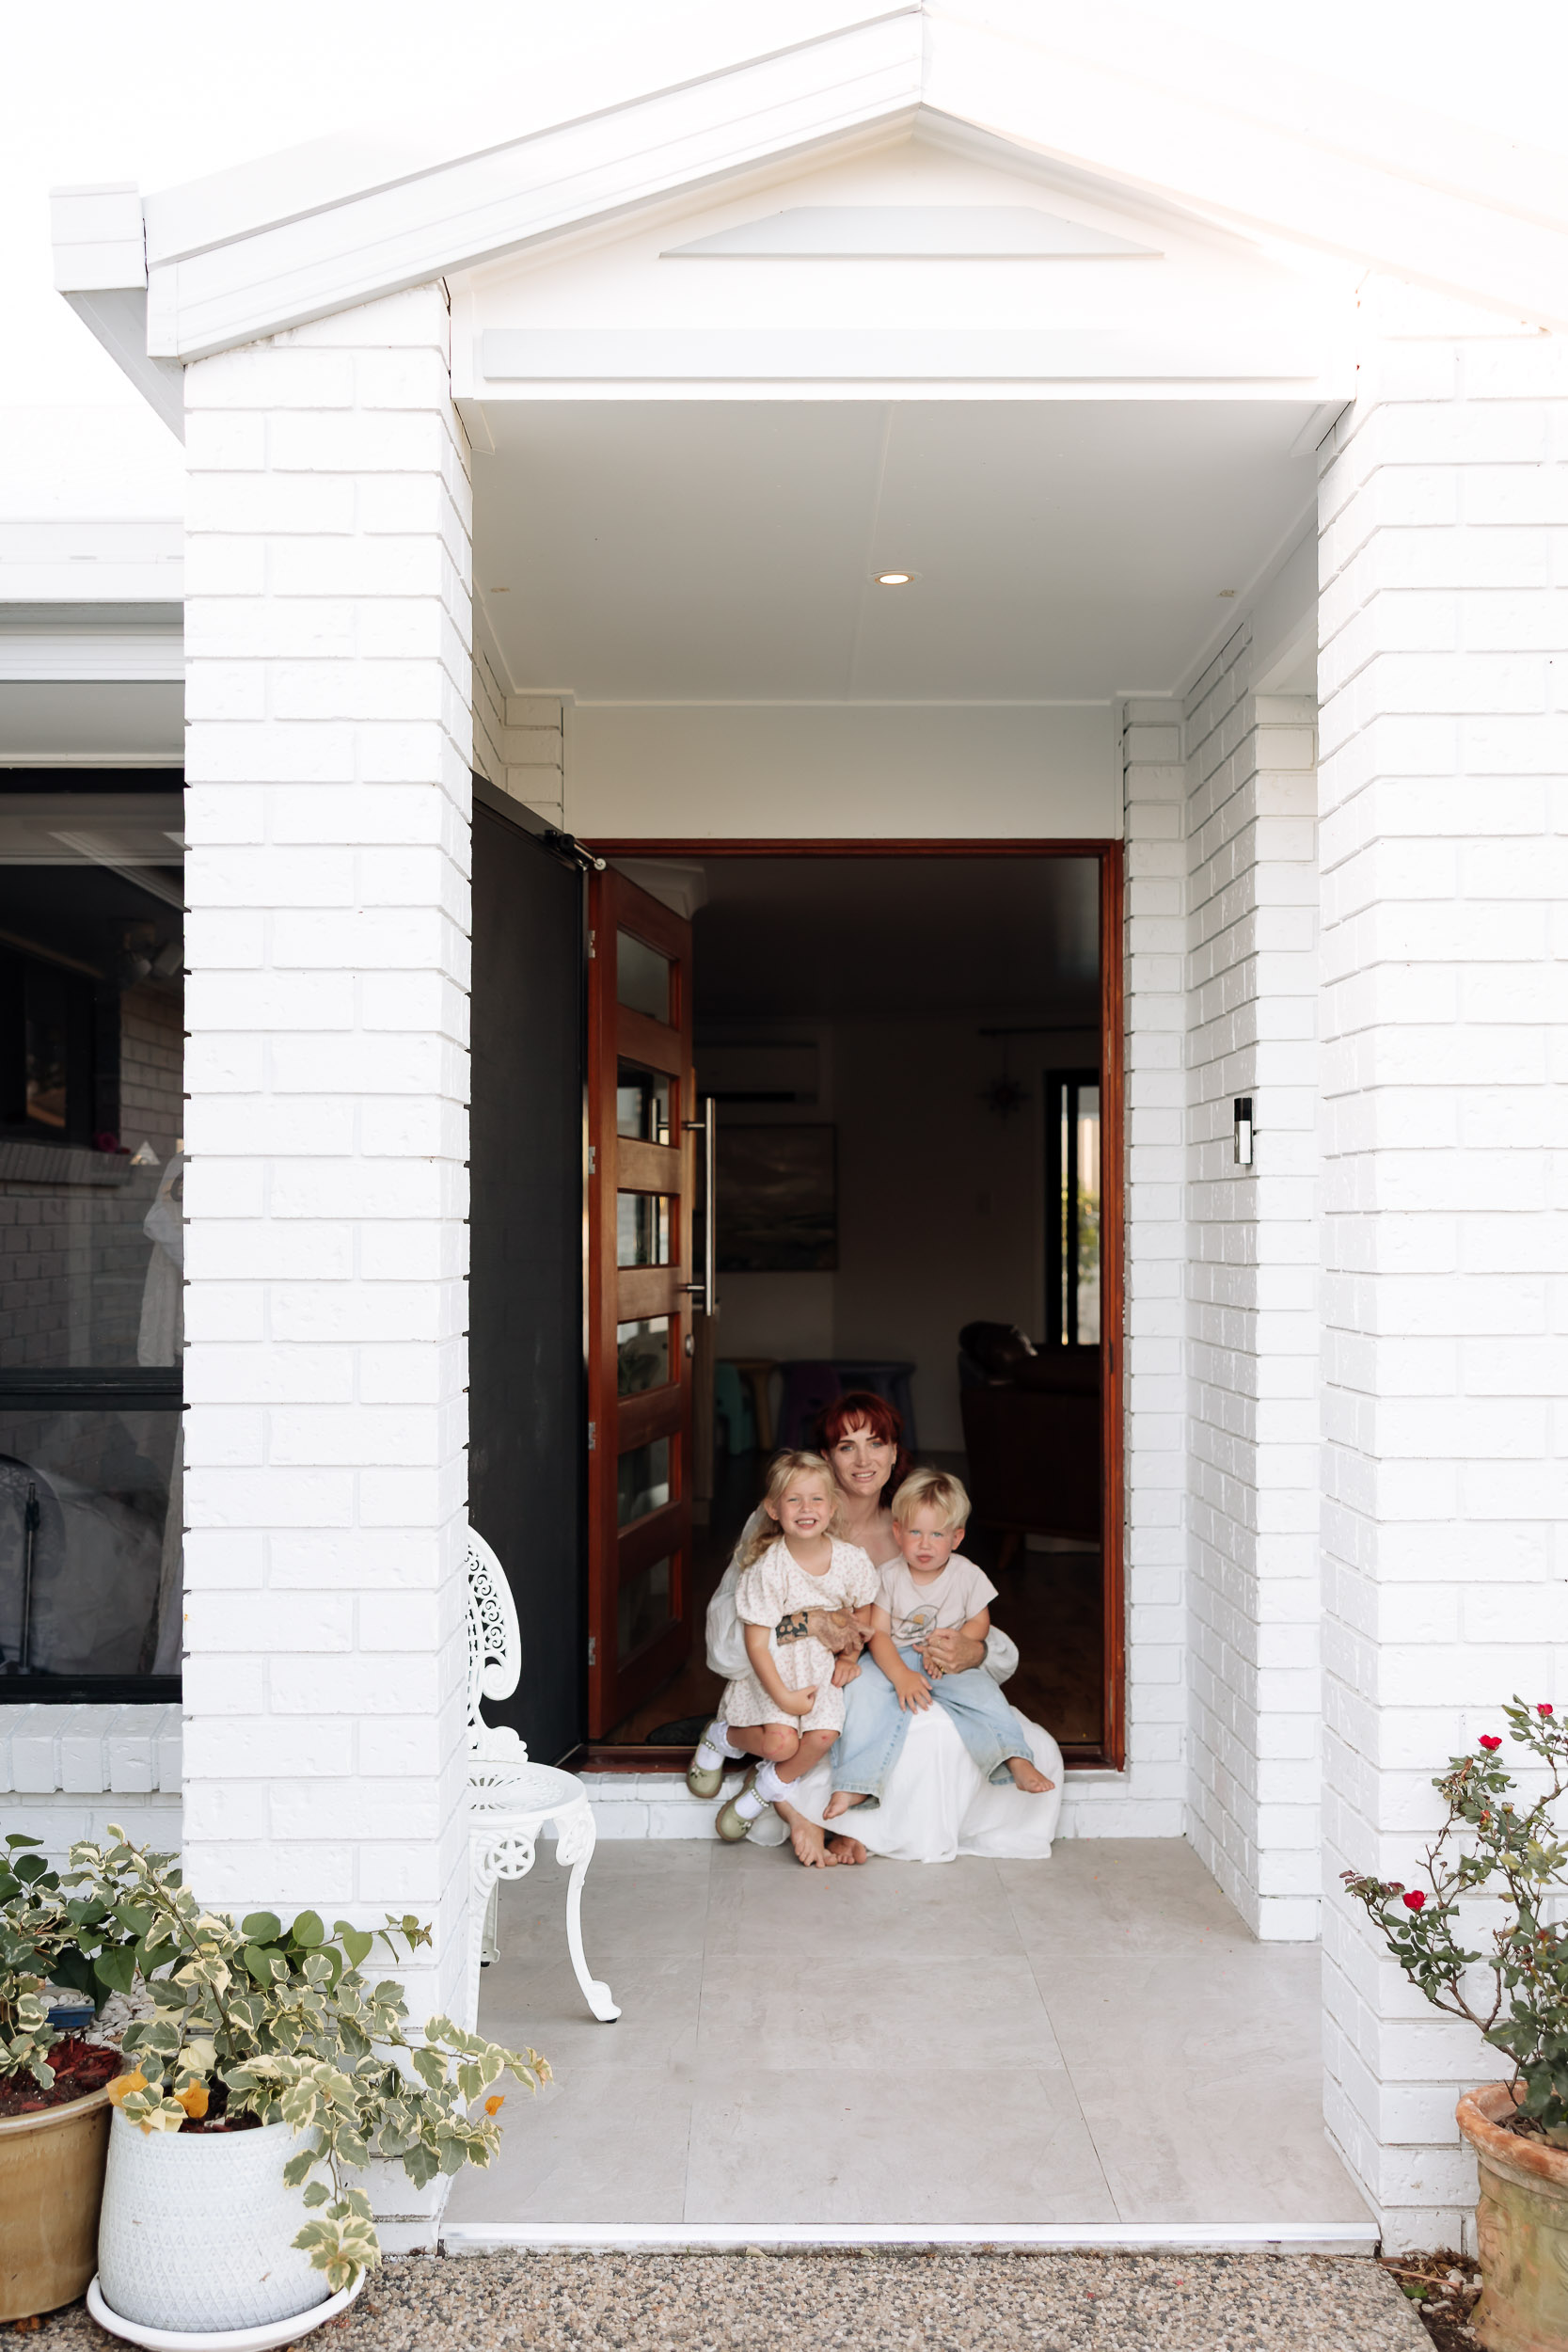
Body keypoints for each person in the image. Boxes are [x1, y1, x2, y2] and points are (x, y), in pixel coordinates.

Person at [825, 1467, 1053, 1821]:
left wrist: (958, 1645)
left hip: (947, 1657)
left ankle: (1014, 1757)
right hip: (895, 1656)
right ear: (897, 1533)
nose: (925, 1544)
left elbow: (980, 1622)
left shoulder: (967, 1573)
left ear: (957, 1537)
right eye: (914, 1532)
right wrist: (901, 1676)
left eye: (937, 1534)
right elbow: (879, 1633)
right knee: (860, 1692)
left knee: (983, 1694)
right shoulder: (888, 1575)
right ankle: (856, 1782)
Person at [688, 1451, 879, 1866]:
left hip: (821, 1669)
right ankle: (721, 1735)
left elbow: (861, 1610)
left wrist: (850, 1652)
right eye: (794, 1500)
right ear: (773, 1509)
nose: (806, 1510)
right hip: (773, 1667)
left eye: (816, 1500)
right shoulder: (767, 1569)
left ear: (832, 1507)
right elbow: (757, 1644)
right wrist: (785, 1698)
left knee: (824, 1735)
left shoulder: (850, 1560)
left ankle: (765, 1789)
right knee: (780, 1742)